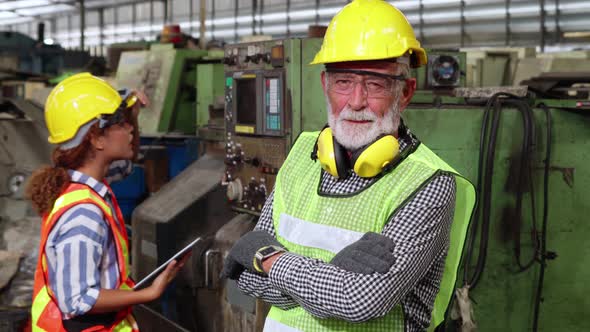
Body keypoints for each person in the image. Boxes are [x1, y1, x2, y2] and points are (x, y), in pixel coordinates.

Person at [221, 0, 476, 331]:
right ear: (326, 85)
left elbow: (361, 301)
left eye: (375, 84)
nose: (356, 102)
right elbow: (247, 279)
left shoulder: (428, 183)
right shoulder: (301, 156)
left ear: (406, 92)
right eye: (344, 82)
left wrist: (269, 259)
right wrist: (333, 281)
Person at [26, 73, 189, 331]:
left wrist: (131, 111)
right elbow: (76, 300)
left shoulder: (77, 182)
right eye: (120, 124)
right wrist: (147, 293)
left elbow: (125, 163)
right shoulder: (84, 212)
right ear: (96, 138)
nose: (130, 129)